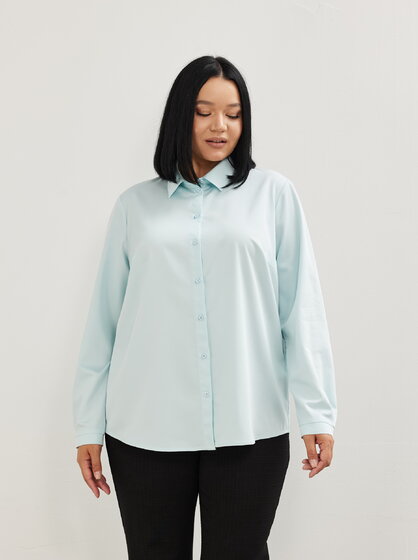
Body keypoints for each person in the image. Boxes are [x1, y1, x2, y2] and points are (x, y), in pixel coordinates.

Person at [72, 55, 337, 559]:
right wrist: (87, 425)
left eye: (233, 114)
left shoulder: (273, 196)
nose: (220, 126)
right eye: (204, 111)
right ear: (181, 116)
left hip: (249, 424)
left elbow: (300, 311)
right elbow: (103, 323)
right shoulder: (134, 206)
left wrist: (317, 414)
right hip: (145, 427)